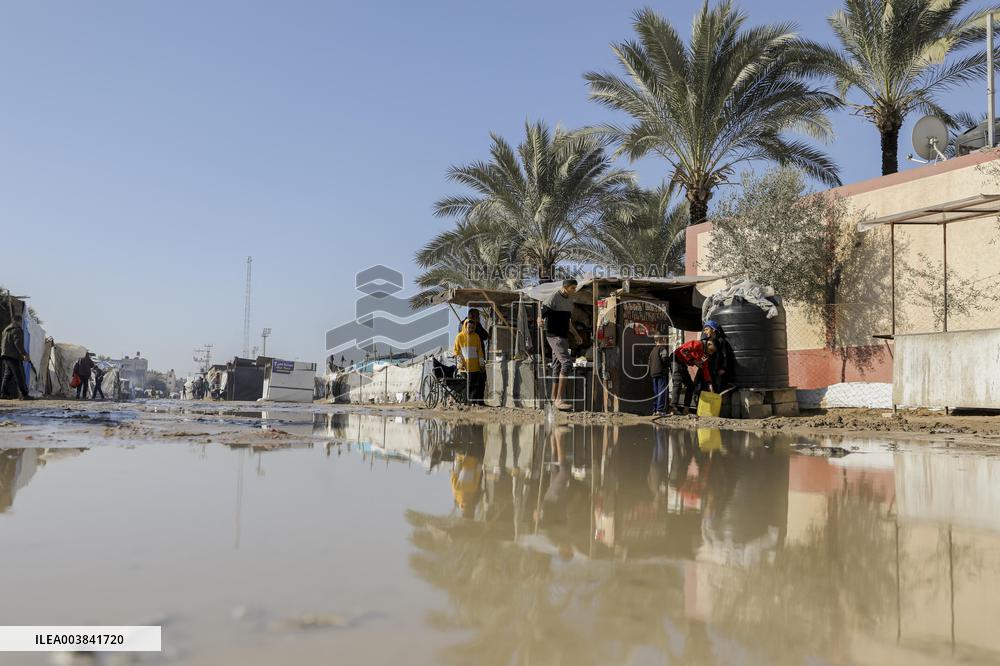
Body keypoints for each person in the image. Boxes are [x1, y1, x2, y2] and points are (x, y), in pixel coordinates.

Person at [539, 278, 577, 410]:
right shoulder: (553, 298)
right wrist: (540, 320)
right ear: (566, 287)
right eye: (573, 288)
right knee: (567, 363)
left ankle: (553, 399)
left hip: (564, 336)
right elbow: (542, 314)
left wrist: (576, 335)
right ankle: (559, 400)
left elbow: (568, 321)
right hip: (554, 335)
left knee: (557, 365)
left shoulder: (569, 300)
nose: (574, 290)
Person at [668, 338, 716, 415]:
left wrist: (709, 384)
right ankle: (673, 408)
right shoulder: (698, 344)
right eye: (711, 350)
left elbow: (705, 369)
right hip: (676, 359)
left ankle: (686, 409)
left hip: (683, 364)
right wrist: (694, 361)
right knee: (678, 382)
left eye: (713, 352)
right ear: (709, 344)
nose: (711, 353)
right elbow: (683, 351)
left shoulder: (705, 355)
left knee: (690, 385)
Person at [453, 318, 486, 404]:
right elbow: (456, 351)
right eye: (469, 327)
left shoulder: (476, 336)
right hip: (465, 367)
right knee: (468, 386)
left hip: (475, 366)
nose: (471, 329)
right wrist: (460, 363)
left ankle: (474, 403)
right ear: (465, 326)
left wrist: (481, 364)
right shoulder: (459, 337)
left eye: (472, 328)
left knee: (476, 385)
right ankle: (467, 403)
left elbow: (480, 351)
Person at [0, 315, 32, 400]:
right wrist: (24, 354)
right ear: (18, 321)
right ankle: (24, 395)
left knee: (8, 375)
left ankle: (3, 393)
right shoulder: (17, 330)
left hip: (5, 355)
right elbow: (17, 343)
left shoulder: (6, 330)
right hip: (13, 356)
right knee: (19, 375)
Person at [701, 320, 734, 391]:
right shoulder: (706, 341)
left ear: (713, 329)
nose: (705, 332)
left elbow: (725, 355)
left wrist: (723, 368)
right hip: (707, 368)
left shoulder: (721, 341)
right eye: (704, 330)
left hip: (717, 369)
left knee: (716, 388)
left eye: (707, 329)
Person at [648, 334, 671, 416]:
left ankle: (654, 410)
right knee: (661, 391)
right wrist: (669, 364)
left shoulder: (653, 350)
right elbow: (664, 359)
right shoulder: (662, 349)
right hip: (661, 372)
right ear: (663, 340)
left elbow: (649, 362)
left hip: (653, 373)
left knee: (655, 392)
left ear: (655, 341)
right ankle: (660, 410)